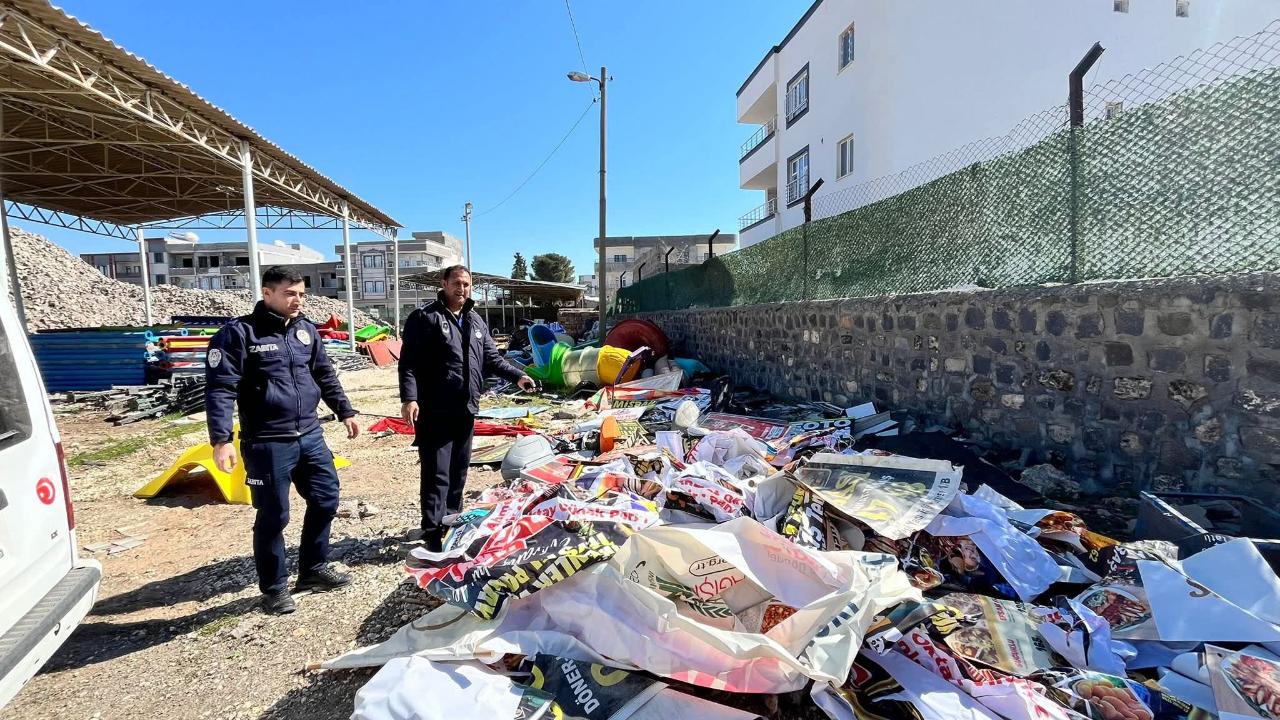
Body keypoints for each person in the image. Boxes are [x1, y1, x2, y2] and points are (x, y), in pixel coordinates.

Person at [205, 265, 361, 615]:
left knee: (326, 499)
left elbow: (324, 374)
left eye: (302, 293)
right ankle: (274, 588)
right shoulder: (240, 334)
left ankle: (313, 570)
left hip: (310, 435)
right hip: (267, 441)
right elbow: (220, 389)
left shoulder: (306, 331)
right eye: (290, 293)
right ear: (267, 293)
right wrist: (221, 438)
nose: (298, 300)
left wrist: (345, 411)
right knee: (274, 515)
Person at [399, 265, 535, 551]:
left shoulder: (474, 320)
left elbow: (491, 359)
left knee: (459, 470)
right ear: (444, 284)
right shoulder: (425, 318)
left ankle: (451, 523)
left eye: (467, 284)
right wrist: (409, 398)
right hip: (435, 409)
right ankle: (432, 532)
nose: (462, 289)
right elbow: (409, 362)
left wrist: (518, 376)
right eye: (457, 283)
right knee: (437, 473)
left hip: (466, 408)